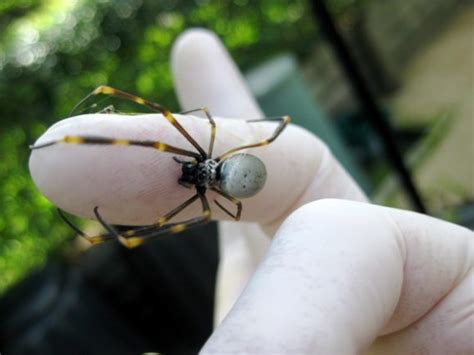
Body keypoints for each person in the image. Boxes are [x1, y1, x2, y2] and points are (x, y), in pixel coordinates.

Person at [30, 29, 473, 354]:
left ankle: (86, 134)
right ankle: (81, 137)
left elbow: (179, 129)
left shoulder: (199, 167)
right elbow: (187, 144)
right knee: (170, 158)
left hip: (234, 174)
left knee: (168, 141)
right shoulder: (200, 176)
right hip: (229, 175)